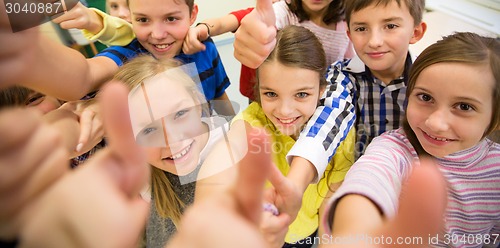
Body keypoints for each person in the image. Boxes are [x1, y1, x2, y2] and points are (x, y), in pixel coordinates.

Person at [323, 32, 500, 247]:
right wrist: (352, 237)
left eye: (464, 107)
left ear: (495, 117)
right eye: (425, 97)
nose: (435, 123)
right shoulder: (394, 149)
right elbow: (367, 183)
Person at [197, 25, 355, 248]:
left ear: (321, 90)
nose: (285, 111)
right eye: (271, 94)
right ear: (258, 90)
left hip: (309, 233)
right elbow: (223, 161)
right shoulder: (252, 123)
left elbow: (330, 201)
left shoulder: (340, 135)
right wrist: (207, 207)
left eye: (301, 94)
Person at [114, 55, 234, 247]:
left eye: (180, 114)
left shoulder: (236, 142)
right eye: (149, 130)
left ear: (198, 101)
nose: (173, 141)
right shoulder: (143, 177)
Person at [51, 0, 234, 116]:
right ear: (131, 17)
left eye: (170, 18)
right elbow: (85, 75)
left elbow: (219, 97)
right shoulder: (129, 55)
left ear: (192, 14)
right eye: (143, 20)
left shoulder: (205, 47)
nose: (158, 34)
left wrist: (233, 136)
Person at [184, 0, 354, 102]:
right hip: (265, 97)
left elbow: (345, 68)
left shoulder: (348, 21)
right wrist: (204, 28)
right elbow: (229, 21)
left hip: (316, 101)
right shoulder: (281, 11)